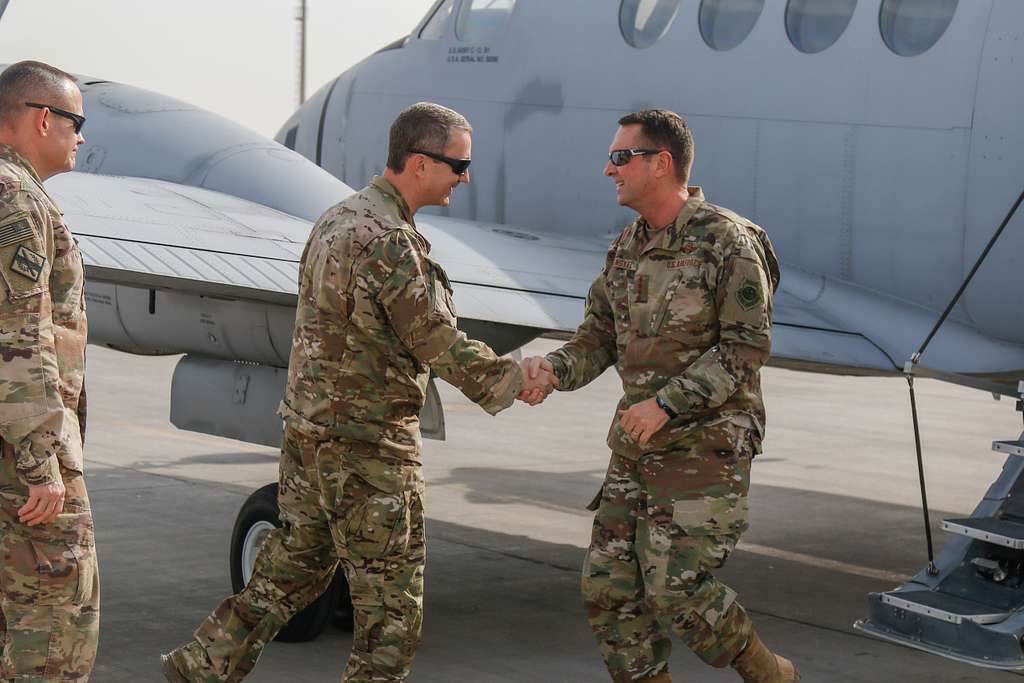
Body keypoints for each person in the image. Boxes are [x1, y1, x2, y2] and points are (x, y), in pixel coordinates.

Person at [162, 102, 556, 683]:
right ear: (420, 163)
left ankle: (202, 666)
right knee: (391, 611)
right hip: (368, 448)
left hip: (310, 433)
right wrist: (511, 380)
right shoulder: (391, 241)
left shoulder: (337, 219)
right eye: (458, 164)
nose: (466, 177)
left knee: (291, 568)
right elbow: (436, 340)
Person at [524, 109, 797, 682]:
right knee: (608, 589)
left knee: (680, 593)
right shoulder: (627, 248)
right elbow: (598, 337)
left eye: (621, 157)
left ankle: (772, 675)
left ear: (661, 163)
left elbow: (746, 349)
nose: (608, 170)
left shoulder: (729, 242)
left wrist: (667, 403)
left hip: (705, 447)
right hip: (636, 448)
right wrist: (552, 370)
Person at [0, 61, 98, 681]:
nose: (80, 137)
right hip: (22, 454)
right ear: (43, 119)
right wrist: (42, 462)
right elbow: (18, 333)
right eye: (75, 122)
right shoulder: (16, 197)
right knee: (57, 624)